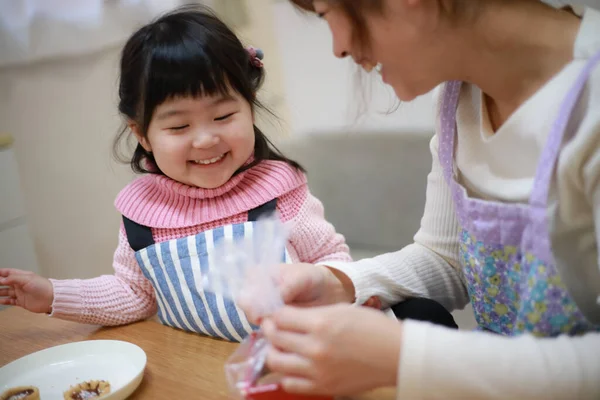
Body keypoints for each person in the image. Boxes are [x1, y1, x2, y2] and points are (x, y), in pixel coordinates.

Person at [239, 0, 600, 398]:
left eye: (328, 13)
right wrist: (334, 282)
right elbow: (446, 259)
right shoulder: (457, 96)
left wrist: (401, 354)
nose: (338, 47)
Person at [0, 6, 354, 343]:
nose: (205, 139)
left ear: (251, 108)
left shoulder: (276, 191)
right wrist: (51, 294)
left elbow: (334, 263)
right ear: (142, 134)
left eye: (223, 116)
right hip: (192, 368)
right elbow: (134, 295)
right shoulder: (143, 214)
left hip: (289, 360)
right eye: (180, 125)